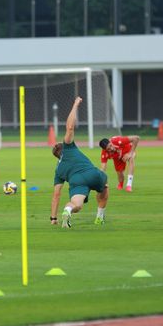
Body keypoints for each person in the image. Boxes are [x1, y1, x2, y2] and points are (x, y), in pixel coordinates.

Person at [51, 97, 109, 228]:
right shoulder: (68, 147)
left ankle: (67, 210)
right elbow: (70, 127)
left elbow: (56, 194)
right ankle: (100, 217)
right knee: (104, 183)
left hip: (77, 182)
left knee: (76, 205)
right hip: (92, 174)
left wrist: (53, 217)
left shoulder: (58, 170)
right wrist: (75, 104)